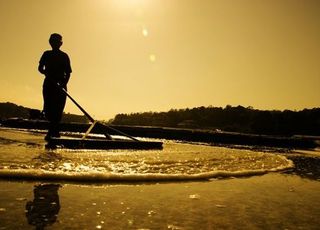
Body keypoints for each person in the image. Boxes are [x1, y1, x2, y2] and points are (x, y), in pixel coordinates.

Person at [38, 33, 72, 140]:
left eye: (57, 42)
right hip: (49, 84)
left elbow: (68, 72)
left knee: (58, 110)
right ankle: (53, 131)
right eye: (53, 41)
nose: (55, 44)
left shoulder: (64, 56)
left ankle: (54, 132)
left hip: (61, 86)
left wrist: (63, 84)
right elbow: (40, 68)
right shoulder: (46, 54)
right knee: (49, 109)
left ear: (60, 43)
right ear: (50, 42)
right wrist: (45, 73)